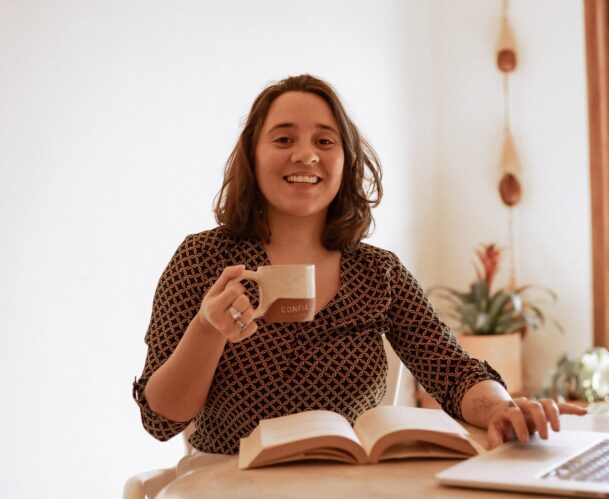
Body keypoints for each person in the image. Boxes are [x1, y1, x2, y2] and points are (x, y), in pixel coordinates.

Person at [133, 74, 585, 456]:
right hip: (229, 493)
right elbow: (160, 420)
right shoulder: (203, 259)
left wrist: (502, 407)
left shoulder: (377, 272)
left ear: (345, 161)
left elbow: (453, 370)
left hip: (347, 491)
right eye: (284, 138)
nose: (306, 155)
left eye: (324, 141)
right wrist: (208, 328)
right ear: (253, 156)